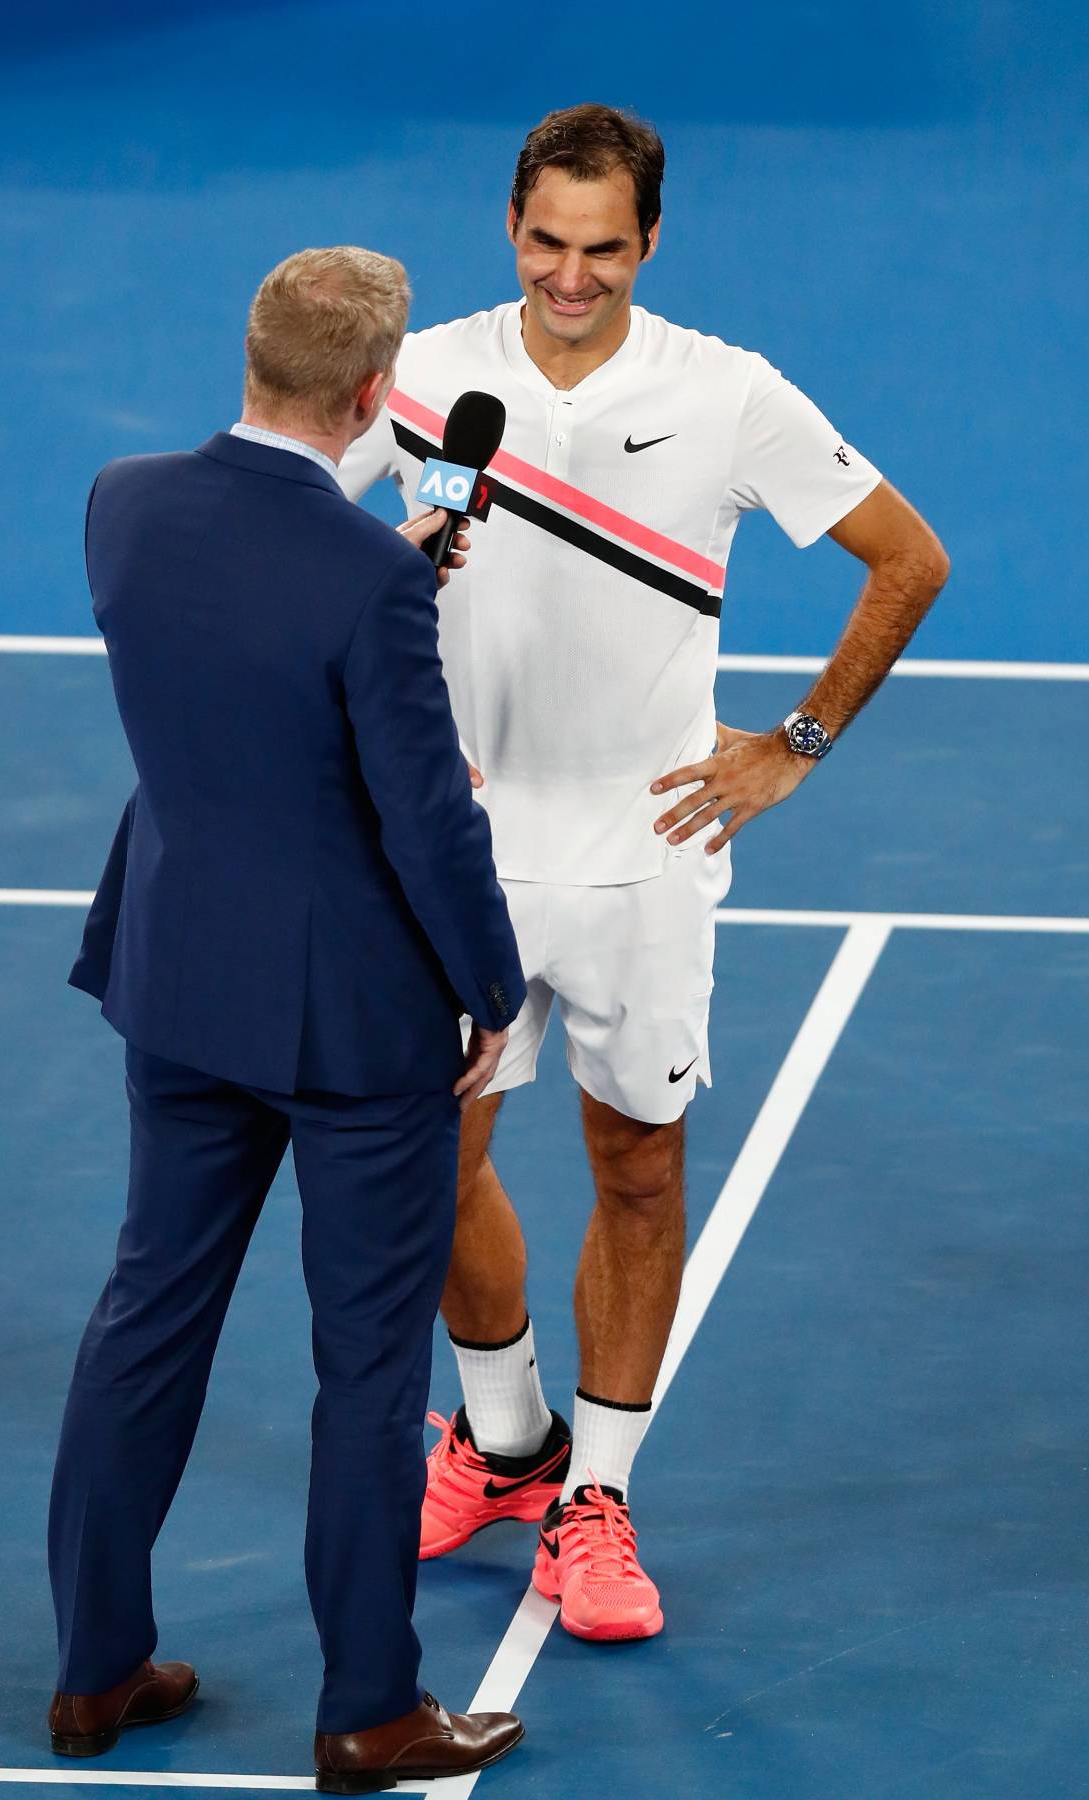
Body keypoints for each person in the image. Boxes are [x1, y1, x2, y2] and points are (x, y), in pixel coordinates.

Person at [339, 104, 950, 1643]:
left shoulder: (726, 393)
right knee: (428, 1167)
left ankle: (595, 1495)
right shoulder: (421, 376)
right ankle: (500, 1436)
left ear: (650, 243)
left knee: (638, 1167)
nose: (570, 274)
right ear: (510, 226)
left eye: (604, 248)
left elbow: (910, 558)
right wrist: (377, 582)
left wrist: (793, 742)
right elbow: (293, 539)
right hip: (455, 842)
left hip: (645, 855)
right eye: (547, 241)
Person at [47, 246, 529, 1793]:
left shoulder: (124, 502)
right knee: (368, 1371)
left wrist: (381, 576)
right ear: (382, 396)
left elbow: (243, 655)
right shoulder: (370, 580)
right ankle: (372, 1709)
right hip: (349, 1028)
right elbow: (424, 823)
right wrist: (491, 987)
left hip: (180, 984)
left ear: (253, 354)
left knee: (145, 1321)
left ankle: (94, 1671)